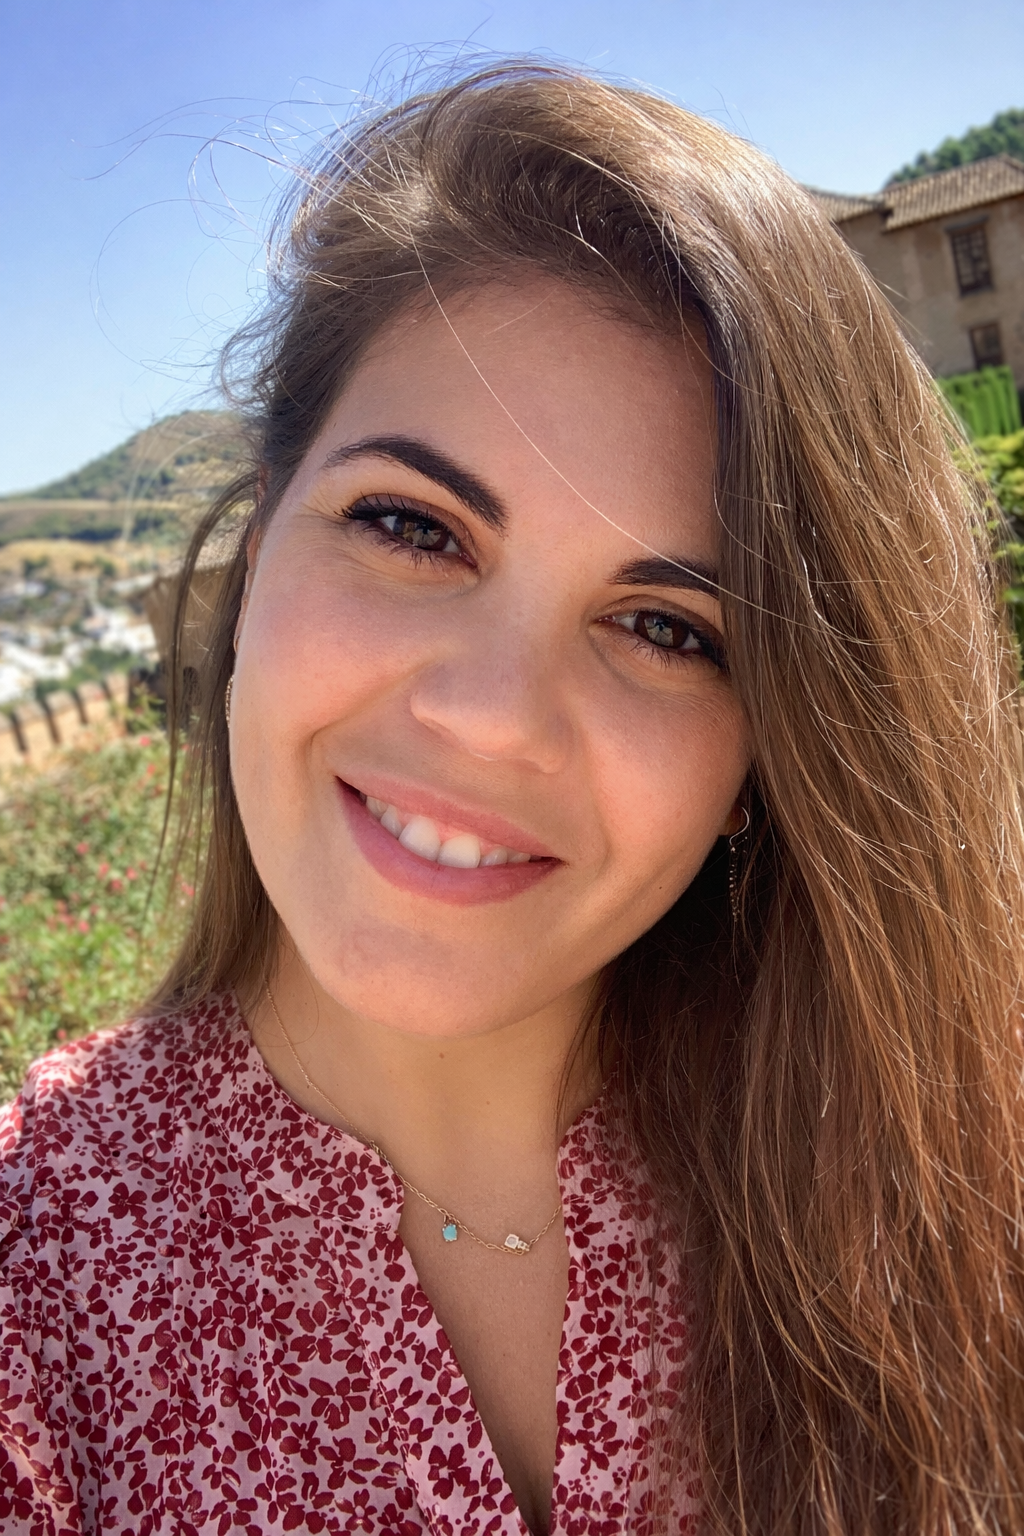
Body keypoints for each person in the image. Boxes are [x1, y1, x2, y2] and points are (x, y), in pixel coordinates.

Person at [2, 62, 1023, 1536]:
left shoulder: (953, 1169)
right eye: (412, 527)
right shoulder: (38, 1278)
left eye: (667, 628)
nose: (490, 716)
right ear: (260, 548)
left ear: (766, 757)